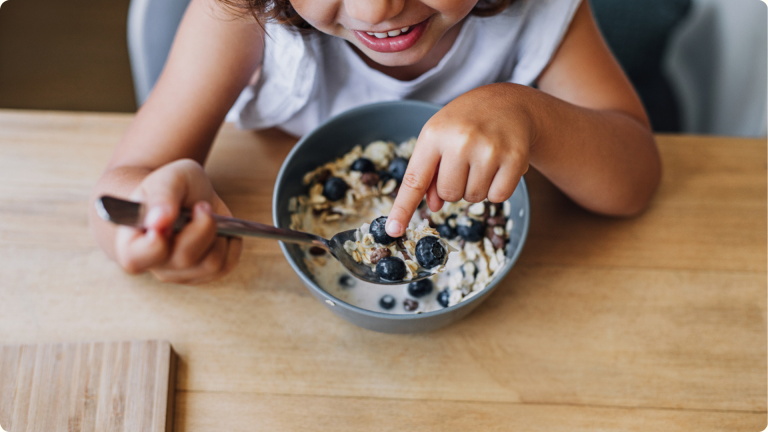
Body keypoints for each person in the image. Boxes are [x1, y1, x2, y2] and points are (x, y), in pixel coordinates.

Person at [89, 0, 661, 284]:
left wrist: (533, 116)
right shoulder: (238, 16)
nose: (376, 9)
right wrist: (150, 221)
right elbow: (121, 186)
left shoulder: (541, 13)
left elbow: (635, 179)